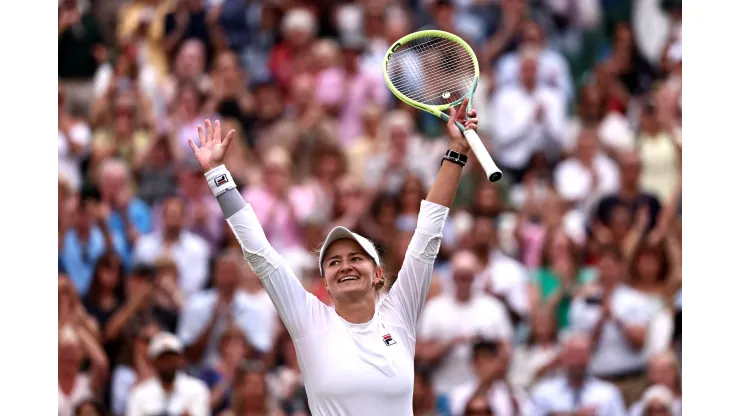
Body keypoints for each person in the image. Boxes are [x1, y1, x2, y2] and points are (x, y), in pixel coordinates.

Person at [186, 94, 478, 415]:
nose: (345, 266)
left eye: (356, 258)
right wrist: (217, 174)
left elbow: (427, 235)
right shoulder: (309, 319)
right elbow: (260, 254)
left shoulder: (400, 315)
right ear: (325, 281)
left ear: (378, 274)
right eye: (334, 262)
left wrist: (457, 151)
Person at [530, 334, 627, 416]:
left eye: (582, 355)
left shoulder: (608, 393)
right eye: (573, 355)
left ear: (590, 357)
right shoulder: (544, 392)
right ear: (563, 357)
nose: (577, 361)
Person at [125, 332, 210, 416]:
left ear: (180, 359)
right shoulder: (140, 393)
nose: (168, 362)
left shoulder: (197, 389)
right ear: (153, 362)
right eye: (163, 358)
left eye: (172, 357)